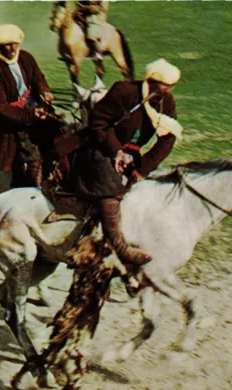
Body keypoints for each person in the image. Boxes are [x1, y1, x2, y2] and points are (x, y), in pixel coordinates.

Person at [70, 58, 183, 267]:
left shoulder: (167, 102)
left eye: (171, 86)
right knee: (110, 189)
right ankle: (121, 248)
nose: (167, 91)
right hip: (101, 147)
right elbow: (98, 123)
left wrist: (143, 168)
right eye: (164, 86)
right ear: (150, 81)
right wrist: (116, 152)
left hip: (133, 156)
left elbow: (168, 138)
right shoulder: (124, 91)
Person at [0, 24, 59, 188]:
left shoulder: (26, 57)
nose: (11, 48)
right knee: (31, 158)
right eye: (7, 45)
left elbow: (38, 78)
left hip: (35, 108)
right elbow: (1, 107)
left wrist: (44, 91)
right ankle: (25, 189)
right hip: (13, 120)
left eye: (14, 44)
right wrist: (30, 115)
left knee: (61, 137)